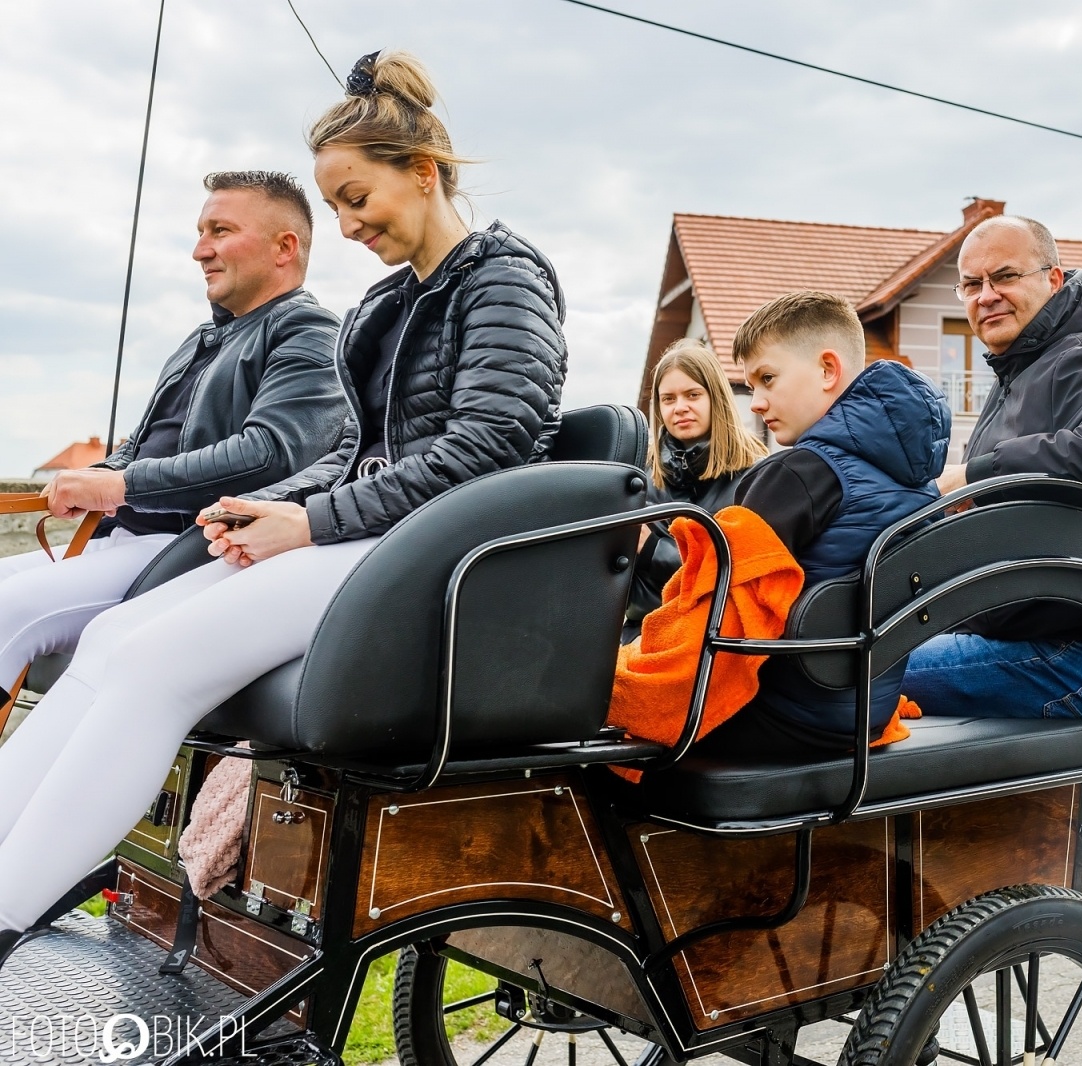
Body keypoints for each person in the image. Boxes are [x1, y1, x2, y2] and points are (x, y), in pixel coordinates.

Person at [0, 49, 567, 962]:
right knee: (113, 640)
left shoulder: (503, 277)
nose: (346, 225)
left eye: (356, 198)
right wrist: (267, 504)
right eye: (335, 204)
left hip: (440, 556)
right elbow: (351, 455)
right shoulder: (389, 305)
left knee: (154, 662)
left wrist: (312, 522)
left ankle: (8, 912)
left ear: (423, 174)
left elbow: (489, 447)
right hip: (376, 536)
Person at [0, 171, 344, 701]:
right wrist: (94, 476)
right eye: (200, 232)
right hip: (117, 544)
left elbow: (271, 455)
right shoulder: (201, 339)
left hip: (186, 550)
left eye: (220, 231)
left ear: (285, 247)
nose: (199, 251)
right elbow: (139, 448)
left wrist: (119, 486)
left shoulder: (309, 333)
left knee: (9, 610)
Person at [900, 215, 1082, 721]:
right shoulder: (1023, 368)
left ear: (1053, 279)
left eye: (1004, 276)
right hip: (1048, 638)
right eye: (970, 284)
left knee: (848, 670)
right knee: (856, 648)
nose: (985, 296)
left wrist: (974, 474)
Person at [688, 290, 949, 756]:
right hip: (861, 714)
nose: (756, 403)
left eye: (767, 379)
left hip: (780, 715)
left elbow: (711, 602)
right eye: (751, 387)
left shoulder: (800, 473)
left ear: (828, 369)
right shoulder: (919, 482)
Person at [623, 338, 768, 641]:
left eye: (692, 395)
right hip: (640, 635)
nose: (680, 408)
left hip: (715, 642)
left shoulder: (757, 474)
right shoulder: (639, 474)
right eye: (669, 399)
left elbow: (733, 576)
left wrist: (652, 549)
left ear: (716, 397)